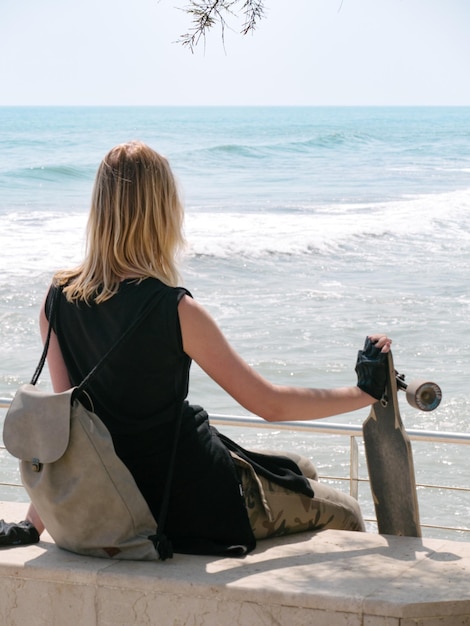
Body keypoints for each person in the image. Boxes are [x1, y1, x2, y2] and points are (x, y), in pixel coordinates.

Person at [0, 141, 391, 554]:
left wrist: (32, 525)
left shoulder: (56, 299)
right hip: (186, 501)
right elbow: (270, 405)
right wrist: (364, 392)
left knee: (300, 469)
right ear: (163, 212)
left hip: (115, 500)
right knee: (344, 511)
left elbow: (69, 428)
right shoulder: (175, 308)